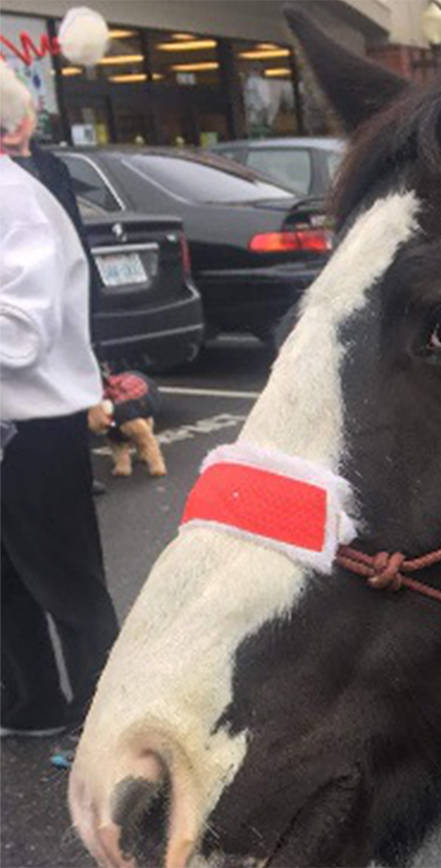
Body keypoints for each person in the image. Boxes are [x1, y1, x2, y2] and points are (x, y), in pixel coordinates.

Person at [0, 62, 118, 737]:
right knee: (8, 583)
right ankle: (31, 701)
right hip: (17, 425)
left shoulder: (15, 201)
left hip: (37, 430)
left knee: (68, 585)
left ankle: (102, 715)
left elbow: (20, 336)